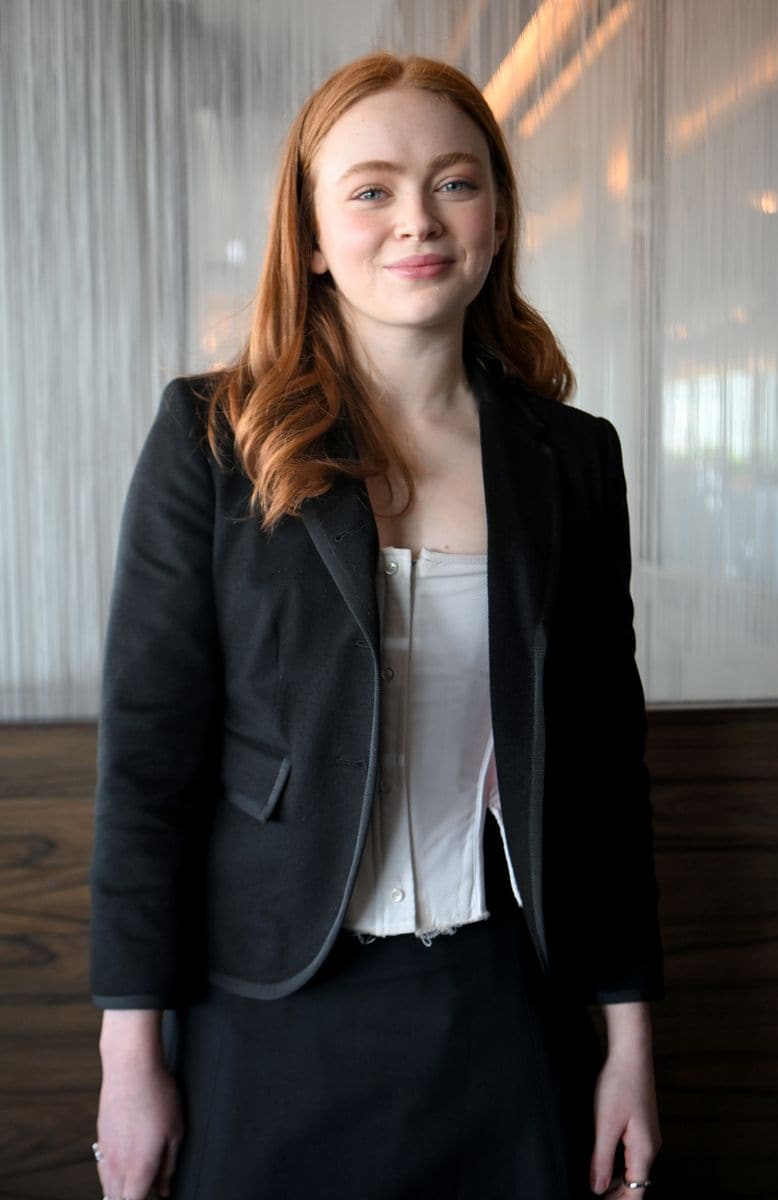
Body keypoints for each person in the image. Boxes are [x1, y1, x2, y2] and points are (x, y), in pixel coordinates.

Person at [90, 51, 663, 1200]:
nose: (418, 219)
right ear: (307, 234)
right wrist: (128, 1058)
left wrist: (630, 1051)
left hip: (504, 1011)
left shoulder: (572, 459)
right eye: (370, 189)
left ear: (495, 219)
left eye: (455, 183)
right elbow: (148, 769)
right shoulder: (211, 439)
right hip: (267, 1015)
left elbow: (602, 773)